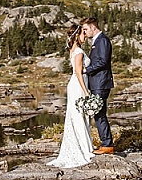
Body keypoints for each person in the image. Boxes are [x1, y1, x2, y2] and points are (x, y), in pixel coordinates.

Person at [47, 24, 95, 168]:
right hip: (78, 85)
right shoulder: (79, 51)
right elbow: (78, 73)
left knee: (76, 115)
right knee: (79, 115)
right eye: (83, 34)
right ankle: (84, 149)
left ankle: (82, 146)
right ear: (76, 35)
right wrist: (86, 91)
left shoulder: (72, 50)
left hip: (73, 85)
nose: (85, 36)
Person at [80, 17, 115, 155]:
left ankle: (107, 145)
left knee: (99, 114)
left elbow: (102, 62)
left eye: (86, 29)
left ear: (93, 27)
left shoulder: (103, 41)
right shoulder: (97, 41)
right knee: (98, 114)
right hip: (97, 83)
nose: (85, 32)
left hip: (101, 83)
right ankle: (105, 143)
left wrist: (86, 70)